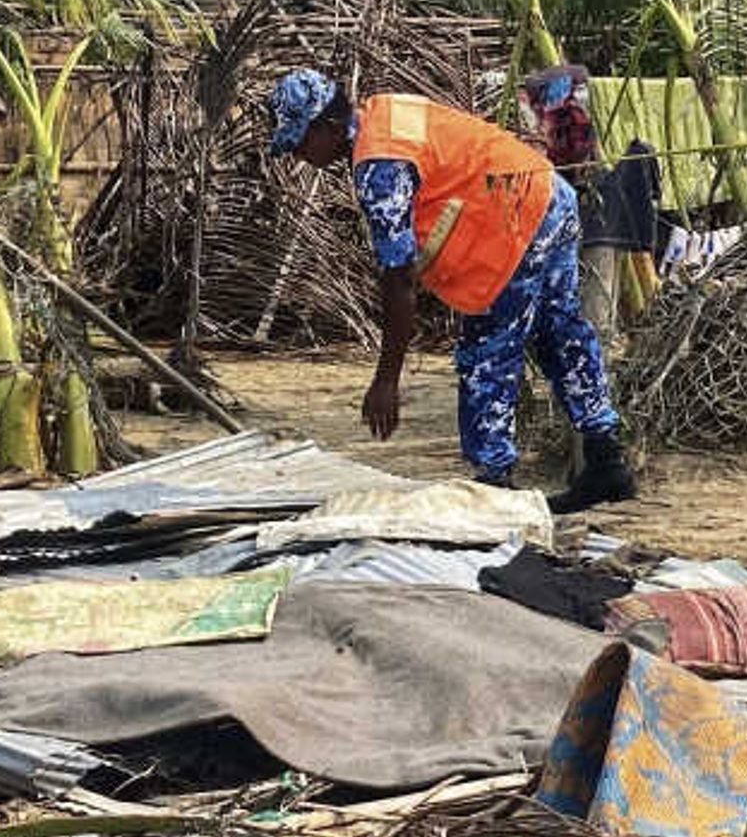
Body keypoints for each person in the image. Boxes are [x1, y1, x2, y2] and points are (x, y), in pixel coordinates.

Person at [268, 68, 639, 511]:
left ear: (327, 127)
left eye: (300, 141)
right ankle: (605, 460)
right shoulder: (384, 112)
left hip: (510, 223)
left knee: (487, 353)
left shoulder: (379, 164)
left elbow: (398, 277)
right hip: (546, 193)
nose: (299, 154)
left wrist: (387, 380)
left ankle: (495, 488)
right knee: (557, 330)